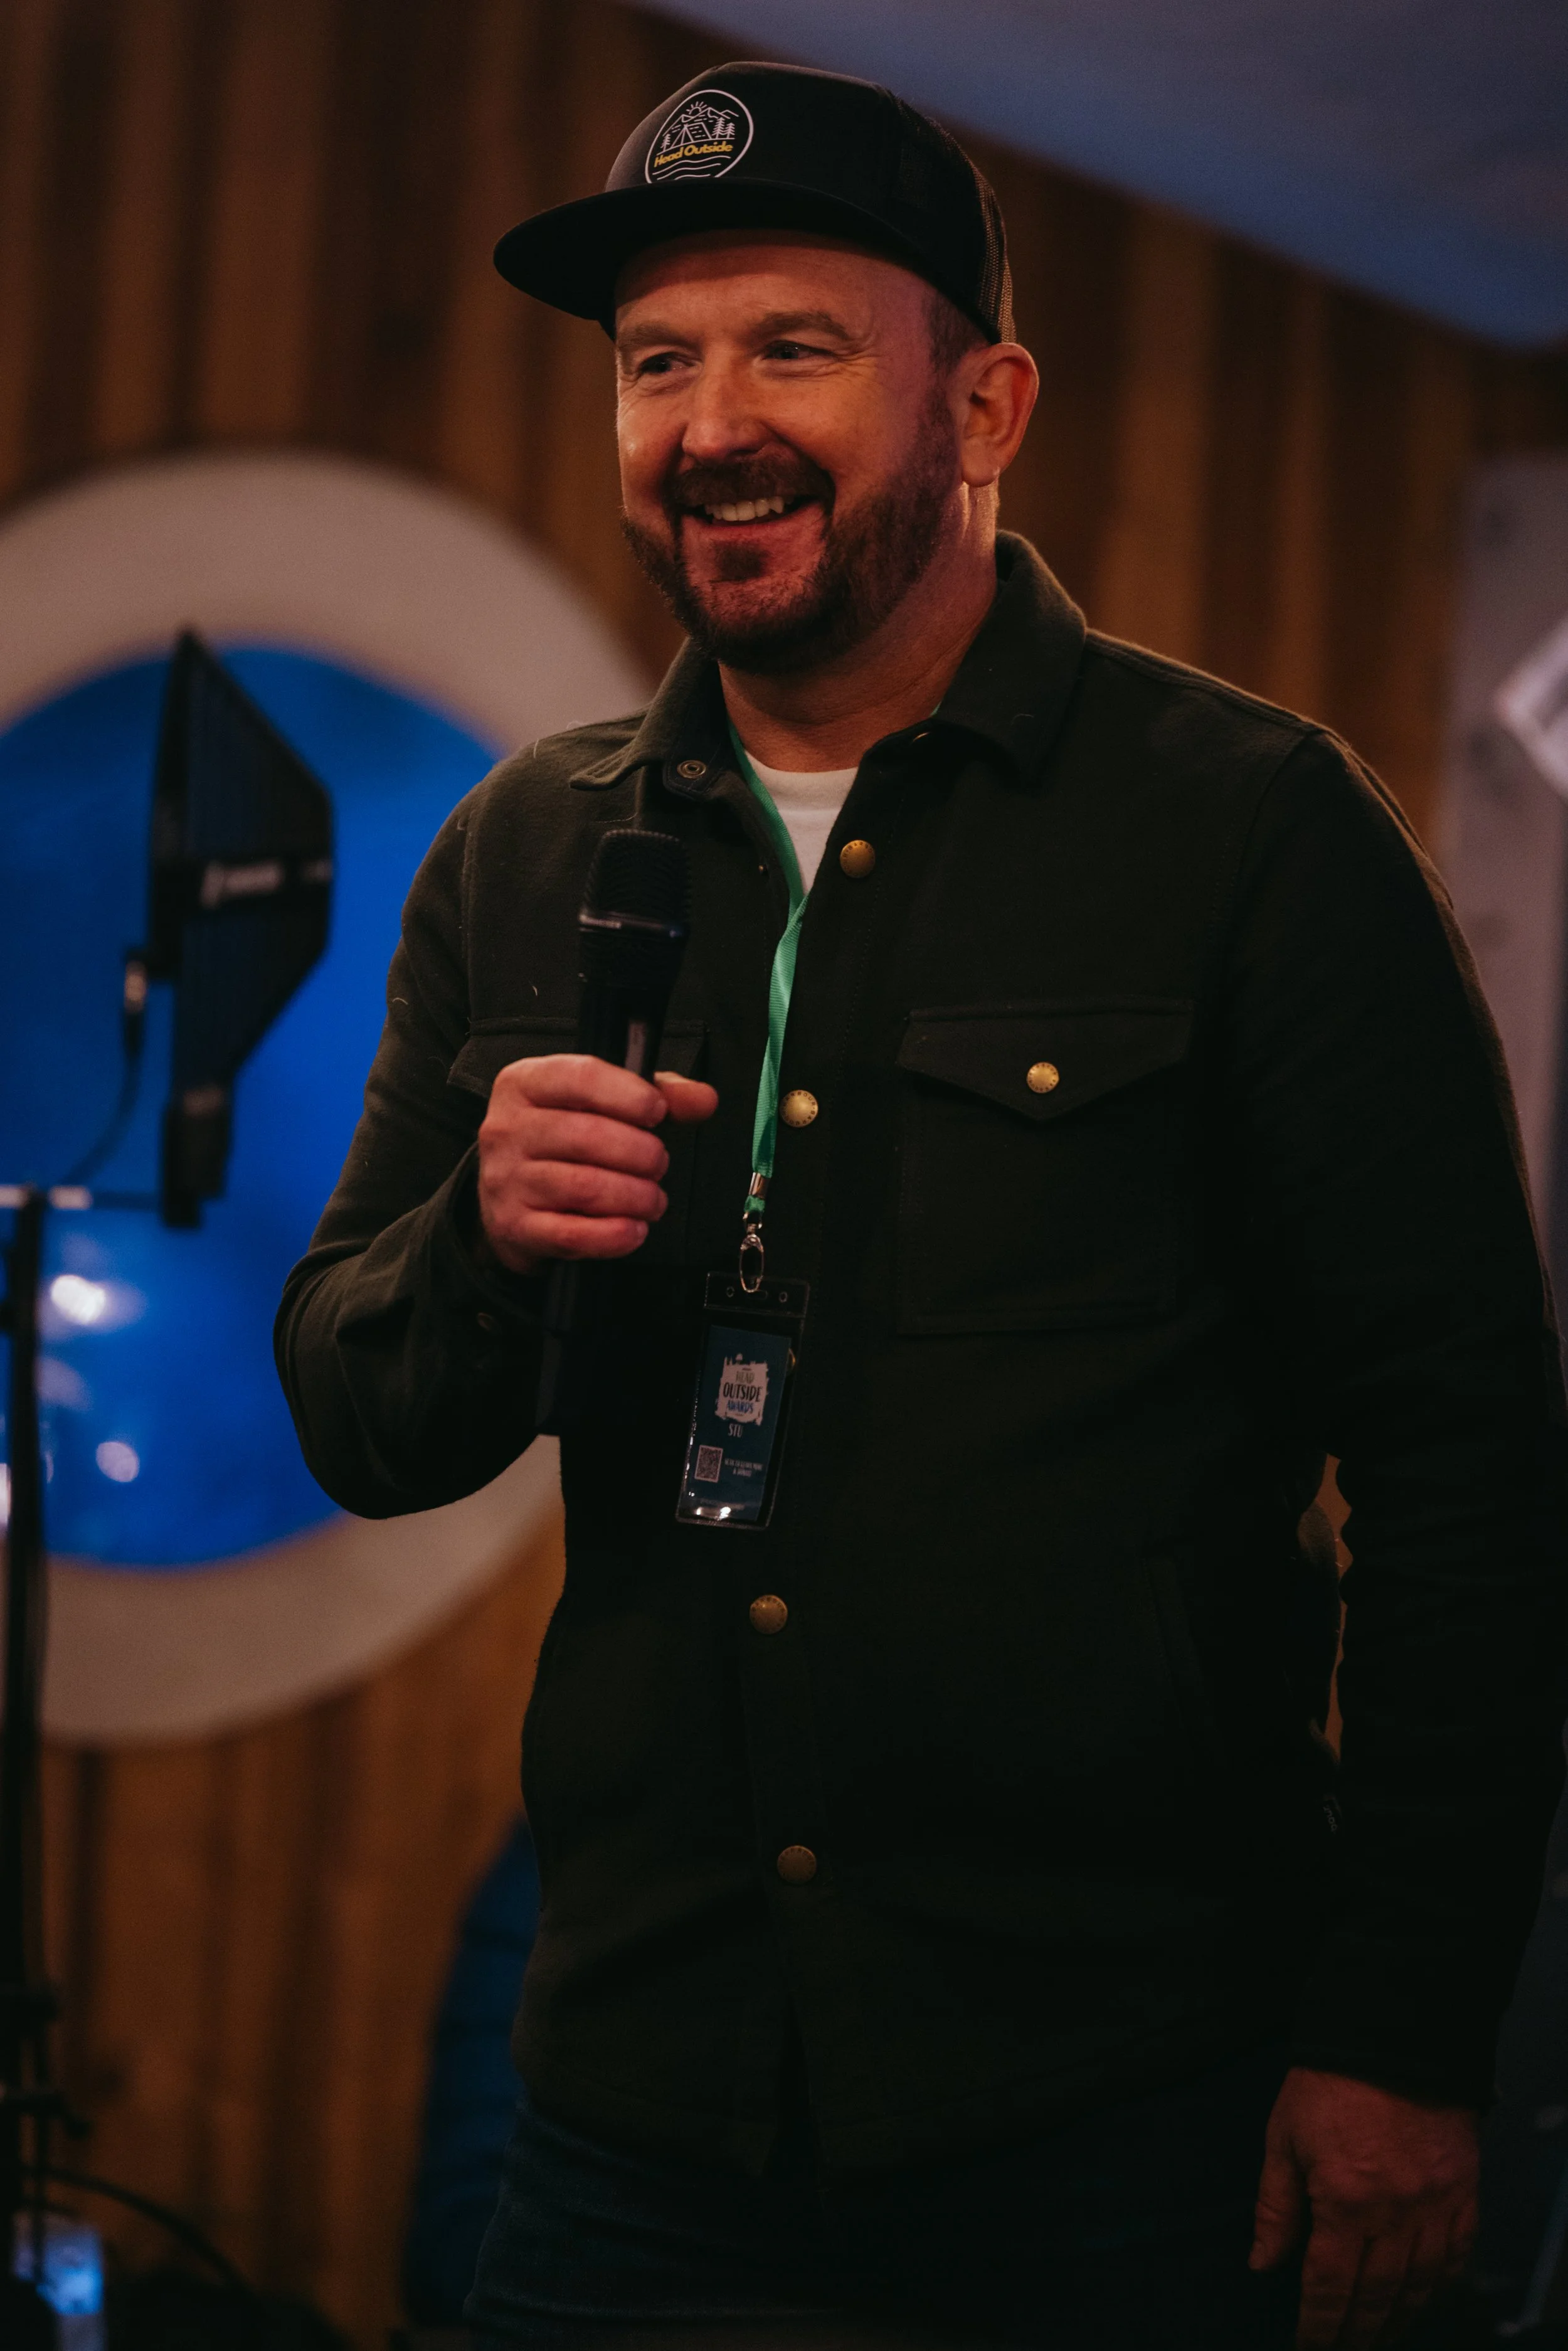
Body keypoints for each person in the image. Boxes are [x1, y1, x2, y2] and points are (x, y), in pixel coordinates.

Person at [275, 60, 1568, 2351]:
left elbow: (1467, 1463)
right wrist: (478, 1241)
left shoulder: (1248, 831)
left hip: (1130, 2120)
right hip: (644, 2116)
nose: (709, 426)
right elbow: (358, 1413)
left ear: (985, 405)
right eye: (654, 363)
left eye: (792, 348)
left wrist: (1402, 2030)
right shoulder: (529, 845)